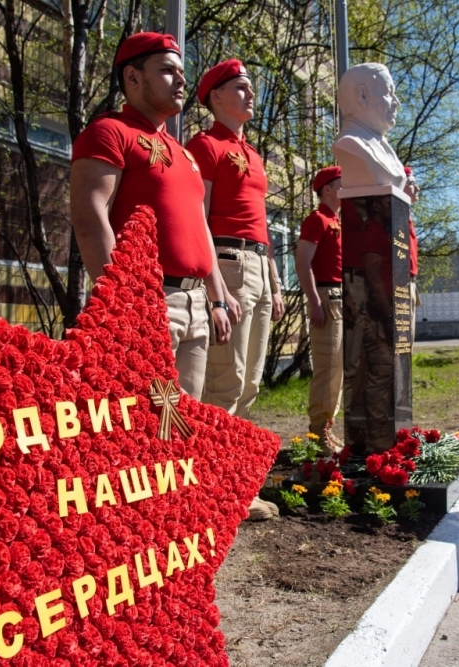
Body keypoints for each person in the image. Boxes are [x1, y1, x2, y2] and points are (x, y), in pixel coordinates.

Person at [70, 32, 233, 402]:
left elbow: (198, 227)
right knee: (143, 427)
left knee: (181, 427)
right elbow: (90, 216)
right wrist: (124, 303)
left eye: (181, 72)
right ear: (133, 77)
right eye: (167, 71)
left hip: (194, 305)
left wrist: (216, 298)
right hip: (148, 301)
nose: (181, 81)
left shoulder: (183, 153)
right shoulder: (109, 132)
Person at [187, 58, 284, 521]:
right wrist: (215, 286)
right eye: (240, 88)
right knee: (224, 383)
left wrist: (276, 280)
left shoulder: (253, 153)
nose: (250, 95)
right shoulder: (204, 146)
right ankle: (213, 492)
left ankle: (230, 484)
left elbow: (262, 226)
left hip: (259, 266)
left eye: (251, 87)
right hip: (228, 263)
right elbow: (196, 216)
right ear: (216, 97)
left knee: (249, 383)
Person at [296, 166, 344, 448]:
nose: (346, 187)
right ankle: (317, 431)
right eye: (341, 183)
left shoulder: (337, 219)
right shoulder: (317, 220)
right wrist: (314, 301)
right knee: (326, 368)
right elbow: (303, 262)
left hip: (340, 298)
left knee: (337, 368)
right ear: (327, 189)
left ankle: (327, 426)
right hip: (326, 298)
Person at [331, 63, 406, 189]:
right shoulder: (349, 144)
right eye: (388, 93)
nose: (396, 102)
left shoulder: (382, 145)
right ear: (362, 96)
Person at [405, 166, 421, 342]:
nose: (417, 188)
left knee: (408, 340)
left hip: (409, 281)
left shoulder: (407, 216)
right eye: (412, 183)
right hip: (399, 283)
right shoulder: (394, 216)